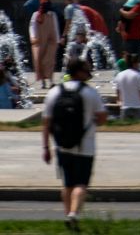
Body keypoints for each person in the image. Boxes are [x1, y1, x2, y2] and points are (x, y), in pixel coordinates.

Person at [42, 57, 108, 226]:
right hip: (85, 146)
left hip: (61, 146)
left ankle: (67, 215)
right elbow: (102, 118)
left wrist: (46, 148)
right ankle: (73, 214)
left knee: (67, 184)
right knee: (81, 184)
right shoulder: (90, 93)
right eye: (86, 70)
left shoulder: (54, 92)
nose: (89, 74)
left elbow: (46, 123)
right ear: (79, 72)